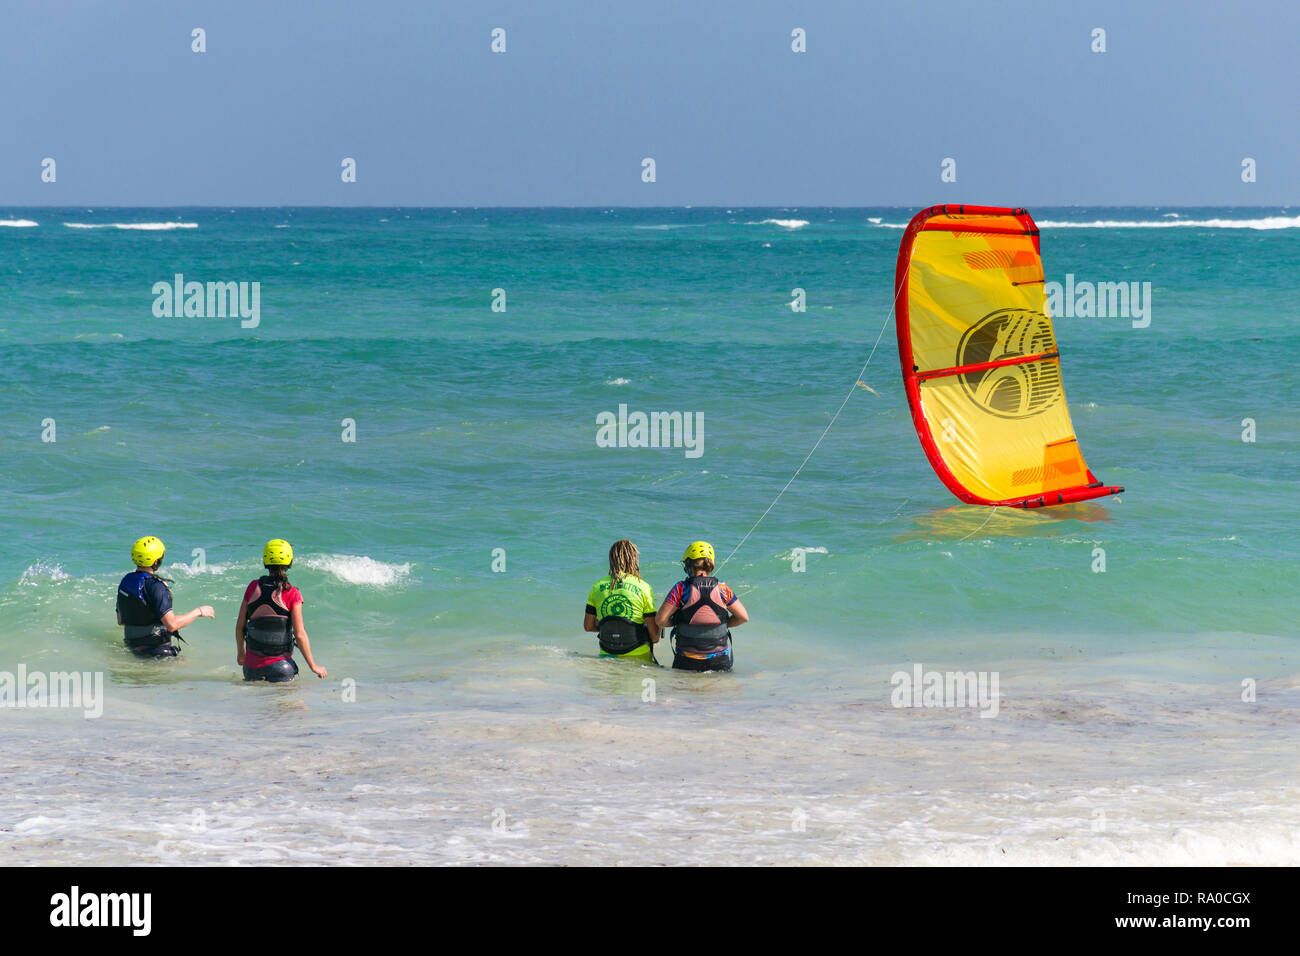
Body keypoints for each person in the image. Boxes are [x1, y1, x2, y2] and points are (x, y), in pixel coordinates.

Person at [235, 539, 327, 682]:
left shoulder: (253, 587)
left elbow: (240, 626)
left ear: (265, 561)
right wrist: (313, 666)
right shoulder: (292, 593)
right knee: (288, 704)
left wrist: (241, 653)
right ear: (289, 562)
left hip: (251, 668)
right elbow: (300, 634)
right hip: (281, 668)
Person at [655, 541, 748, 672]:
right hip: (719, 662)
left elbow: (660, 620)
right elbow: (743, 617)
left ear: (688, 564)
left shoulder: (680, 588)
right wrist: (723, 624)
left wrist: (678, 622)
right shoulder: (722, 588)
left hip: (686, 661)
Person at [116, 536, 214, 658]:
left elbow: (120, 621)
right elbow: (172, 625)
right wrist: (199, 612)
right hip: (156, 652)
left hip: (132, 649)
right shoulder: (156, 586)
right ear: (156, 561)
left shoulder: (126, 581)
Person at [583, 539, 661, 662]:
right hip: (638, 656)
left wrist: (611, 628)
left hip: (607, 655)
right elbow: (654, 637)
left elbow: (588, 626)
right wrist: (660, 627)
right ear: (634, 559)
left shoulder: (597, 586)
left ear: (611, 559)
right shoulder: (643, 587)